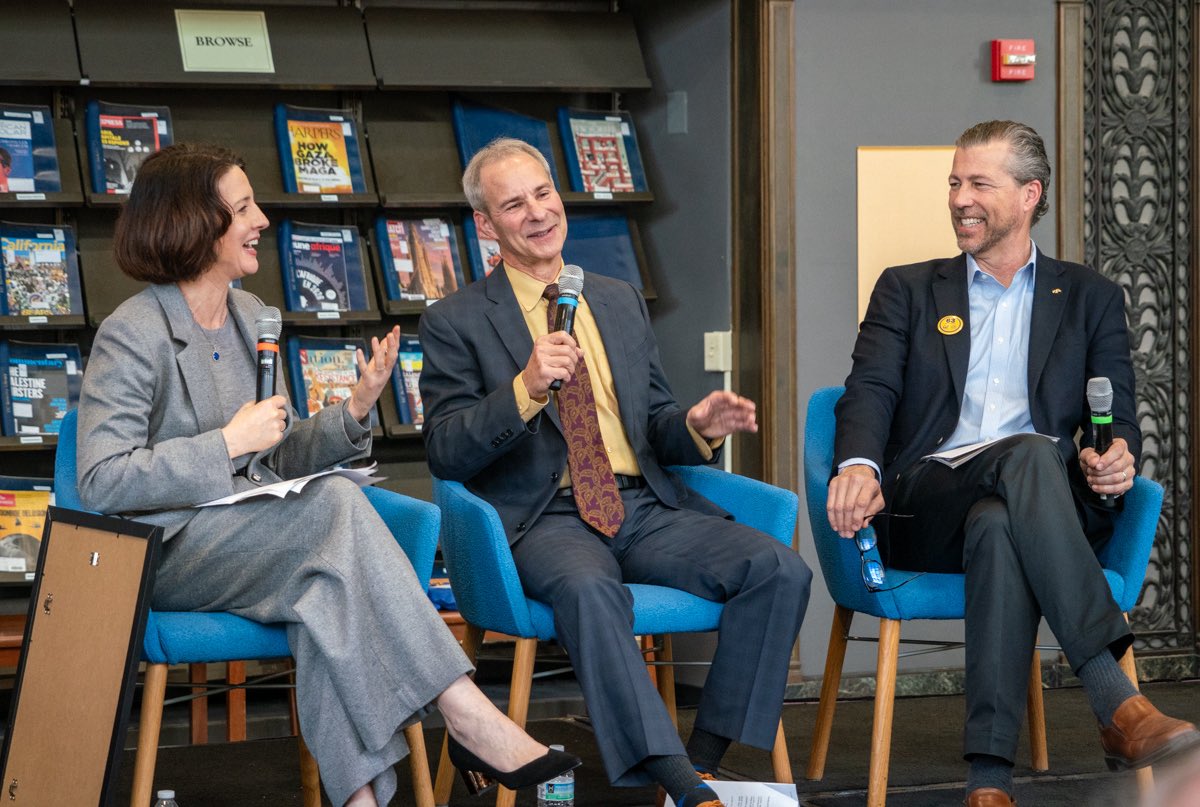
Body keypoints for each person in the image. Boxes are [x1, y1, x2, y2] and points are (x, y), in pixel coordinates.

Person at [75, 143, 579, 807]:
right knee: (337, 508)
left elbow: (273, 460)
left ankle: (361, 798)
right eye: (244, 207)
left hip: (257, 540)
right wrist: (225, 442)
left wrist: (353, 410)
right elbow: (101, 480)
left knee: (325, 599)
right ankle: (464, 710)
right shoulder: (132, 332)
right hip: (165, 551)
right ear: (197, 223)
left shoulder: (250, 315)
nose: (262, 220)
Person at [420, 137, 812, 807]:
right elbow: (448, 449)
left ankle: (702, 758)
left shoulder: (618, 297)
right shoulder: (455, 320)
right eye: (515, 204)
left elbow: (655, 417)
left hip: (642, 506)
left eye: (544, 193)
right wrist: (525, 388)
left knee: (778, 568)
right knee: (591, 591)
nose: (539, 213)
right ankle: (684, 786)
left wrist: (696, 425)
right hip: (546, 519)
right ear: (486, 224)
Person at [826, 120, 1200, 807]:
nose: (959, 198)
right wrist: (858, 465)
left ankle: (988, 781)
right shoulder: (907, 289)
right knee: (1025, 455)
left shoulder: (1089, 297)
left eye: (978, 183)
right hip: (927, 498)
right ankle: (1116, 700)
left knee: (999, 521)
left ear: (1029, 194)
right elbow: (869, 390)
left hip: (1031, 505)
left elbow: (1113, 414)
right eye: (953, 182)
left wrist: (1117, 455)